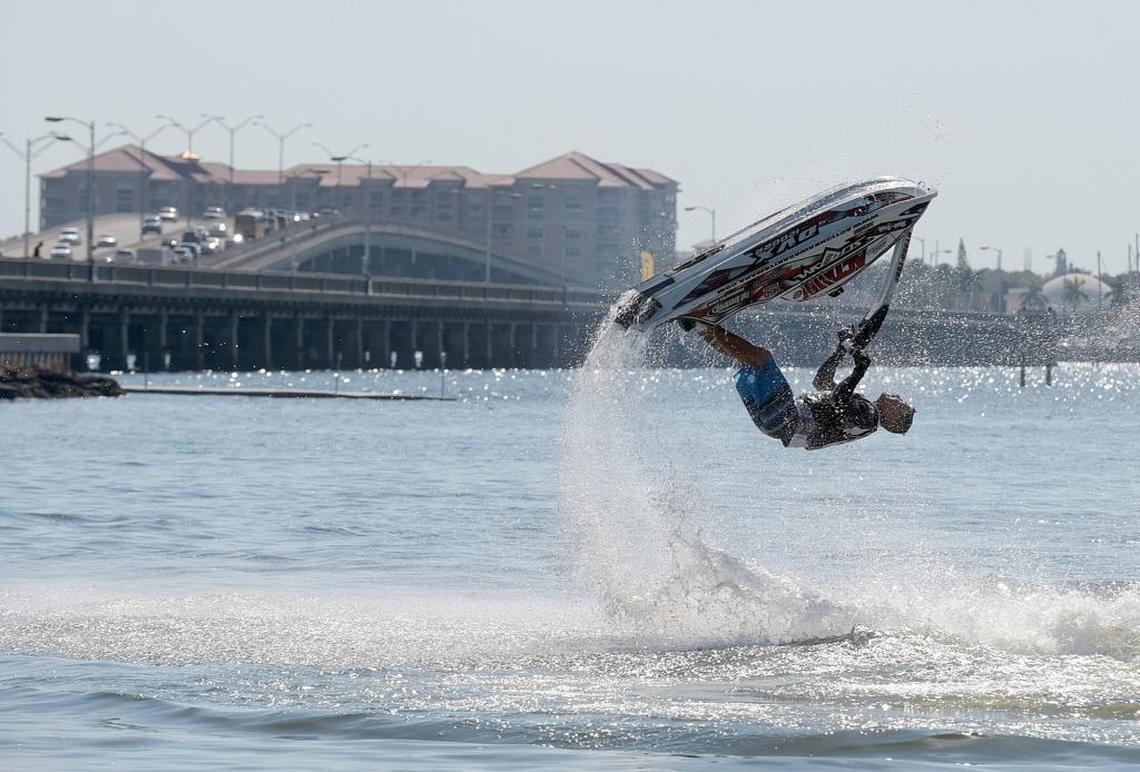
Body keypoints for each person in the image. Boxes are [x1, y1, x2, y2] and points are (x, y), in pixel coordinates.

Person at [693, 320, 914, 450]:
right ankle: (698, 326)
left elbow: (838, 399)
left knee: (761, 358)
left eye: (902, 404)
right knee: (750, 361)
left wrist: (859, 369)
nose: (899, 398)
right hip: (774, 423)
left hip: (786, 418)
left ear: (894, 417)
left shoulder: (868, 416)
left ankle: (702, 323)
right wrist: (839, 353)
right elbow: (822, 382)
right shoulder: (864, 413)